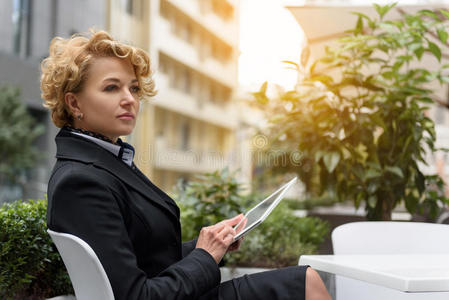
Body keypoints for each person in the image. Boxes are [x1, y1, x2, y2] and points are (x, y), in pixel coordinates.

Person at [42, 29, 331, 300]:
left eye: (133, 88)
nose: (129, 99)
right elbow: (135, 295)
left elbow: (149, 258)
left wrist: (210, 245)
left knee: (306, 280)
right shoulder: (81, 181)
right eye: (111, 88)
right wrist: (204, 257)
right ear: (74, 104)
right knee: (306, 283)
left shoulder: (106, 159)